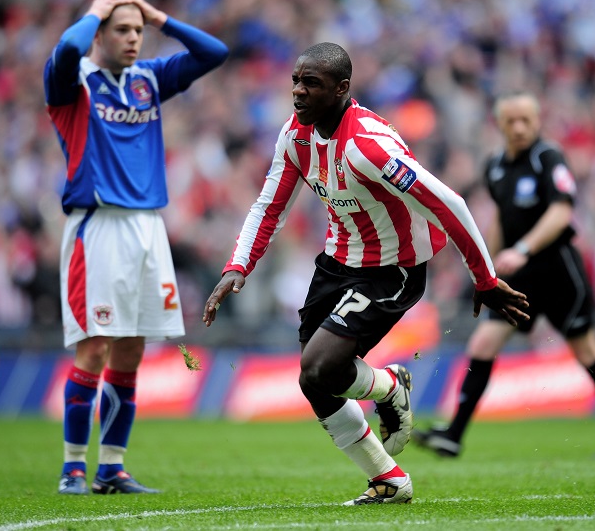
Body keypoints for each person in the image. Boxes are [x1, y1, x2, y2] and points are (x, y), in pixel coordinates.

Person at [202, 42, 529, 505]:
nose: (297, 91)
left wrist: (485, 278)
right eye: (295, 80)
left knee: (319, 368)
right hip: (337, 262)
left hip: (392, 269)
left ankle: (390, 389)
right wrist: (237, 266)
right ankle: (388, 477)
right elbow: (268, 205)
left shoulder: (368, 146)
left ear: (341, 89)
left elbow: (449, 203)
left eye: (310, 83)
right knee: (314, 379)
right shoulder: (294, 135)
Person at [44, 0, 229, 495]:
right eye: (121, 29)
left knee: (131, 350)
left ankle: (112, 467)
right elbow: (66, 51)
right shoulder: (73, 83)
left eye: (137, 31)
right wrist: (97, 9)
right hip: (98, 227)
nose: (132, 38)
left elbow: (215, 53)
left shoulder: (149, 79)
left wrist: (159, 16)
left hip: (148, 228)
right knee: (95, 347)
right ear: (99, 34)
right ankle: (73, 468)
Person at [413, 91, 595, 460]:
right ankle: (453, 435)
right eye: (511, 121)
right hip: (520, 277)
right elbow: (503, 218)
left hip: (558, 272)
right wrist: (487, 267)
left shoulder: (548, 158)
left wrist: (522, 250)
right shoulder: (496, 166)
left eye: (526, 121)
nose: (519, 127)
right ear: (499, 125)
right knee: (482, 345)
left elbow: (561, 213)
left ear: (537, 122)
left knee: (587, 350)